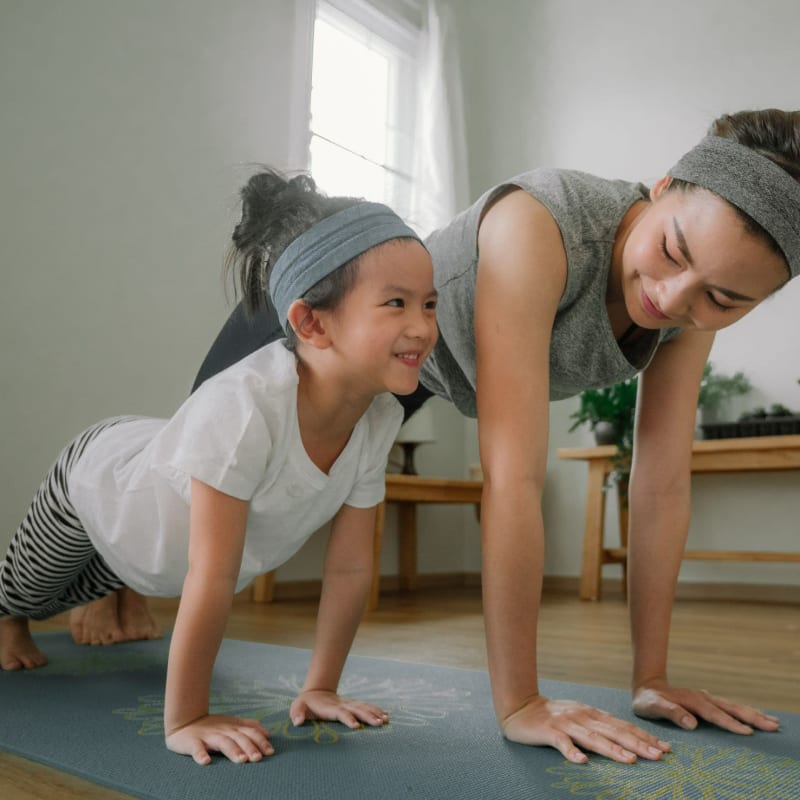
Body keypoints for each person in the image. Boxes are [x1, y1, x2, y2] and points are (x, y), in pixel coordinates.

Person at [79, 108, 800, 764]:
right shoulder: (544, 224)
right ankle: (105, 574)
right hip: (341, 335)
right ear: (664, 185)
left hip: (418, 372)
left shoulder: (685, 310)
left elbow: (661, 479)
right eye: (673, 251)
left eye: (724, 299)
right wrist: (520, 702)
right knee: (179, 479)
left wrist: (651, 679)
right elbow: (512, 475)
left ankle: (124, 588)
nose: (674, 299)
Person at [0, 169, 439, 765]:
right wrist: (187, 717)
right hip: (98, 482)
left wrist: (320, 687)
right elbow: (211, 573)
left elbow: (349, 570)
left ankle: (110, 592)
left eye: (429, 303)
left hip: (156, 538)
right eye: (396, 303)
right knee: (28, 590)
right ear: (312, 323)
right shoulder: (244, 408)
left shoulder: (378, 417)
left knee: (115, 575)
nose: (423, 326)